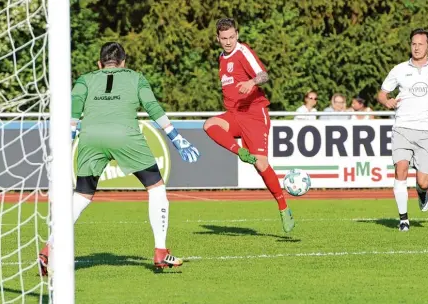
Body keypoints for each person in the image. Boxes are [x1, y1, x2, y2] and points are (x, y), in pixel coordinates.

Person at [38, 42, 200, 275]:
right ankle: (161, 251)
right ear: (124, 63)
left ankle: (49, 248)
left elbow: (73, 113)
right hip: (125, 136)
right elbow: (153, 107)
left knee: (82, 194)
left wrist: (66, 144)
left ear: (99, 63)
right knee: (155, 186)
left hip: (91, 138)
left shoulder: (85, 79)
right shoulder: (135, 77)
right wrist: (176, 138)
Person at [203, 18, 295, 233]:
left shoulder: (242, 52)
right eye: (224, 38)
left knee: (261, 164)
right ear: (217, 38)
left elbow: (264, 75)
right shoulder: (222, 58)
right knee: (210, 124)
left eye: (232, 37)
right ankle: (240, 151)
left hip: (254, 114)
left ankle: (283, 206)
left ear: (237, 34)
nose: (228, 42)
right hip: (235, 115)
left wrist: (252, 82)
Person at [377, 28, 428, 232]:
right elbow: (382, 94)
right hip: (402, 127)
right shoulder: (399, 69)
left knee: (423, 181)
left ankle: (422, 192)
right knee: (400, 170)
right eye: (413, 43)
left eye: (420, 44)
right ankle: (403, 219)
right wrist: (388, 102)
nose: (416, 47)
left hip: (427, 130)